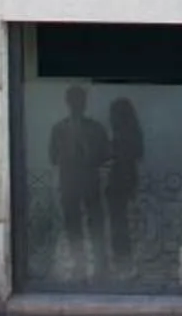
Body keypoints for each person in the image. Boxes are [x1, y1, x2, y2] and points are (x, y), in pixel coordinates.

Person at [48, 81, 107, 283]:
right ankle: (79, 266)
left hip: (90, 183)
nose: (77, 104)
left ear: (85, 102)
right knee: (73, 226)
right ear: (68, 102)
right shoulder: (59, 129)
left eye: (80, 100)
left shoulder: (95, 128)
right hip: (70, 183)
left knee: (96, 225)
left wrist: (89, 152)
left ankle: (100, 267)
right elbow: (53, 157)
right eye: (74, 100)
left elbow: (105, 155)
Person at [104, 98, 144, 276]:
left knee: (120, 225)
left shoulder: (124, 136)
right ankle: (125, 264)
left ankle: (124, 264)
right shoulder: (132, 135)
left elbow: (121, 159)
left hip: (120, 183)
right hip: (123, 183)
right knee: (121, 225)